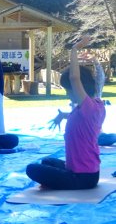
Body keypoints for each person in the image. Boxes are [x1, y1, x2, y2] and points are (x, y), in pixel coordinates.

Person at [26, 35, 106, 190]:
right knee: (47, 162)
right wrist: (63, 115)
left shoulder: (89, 107)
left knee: (32, 169)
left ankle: (65, 180)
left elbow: (75, 78)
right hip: (83, 171)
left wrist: (75, 49)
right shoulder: (90, 109)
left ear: (79, 88)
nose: (67, 93)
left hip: (82, 177)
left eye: (68, 89)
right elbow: (83, 122)